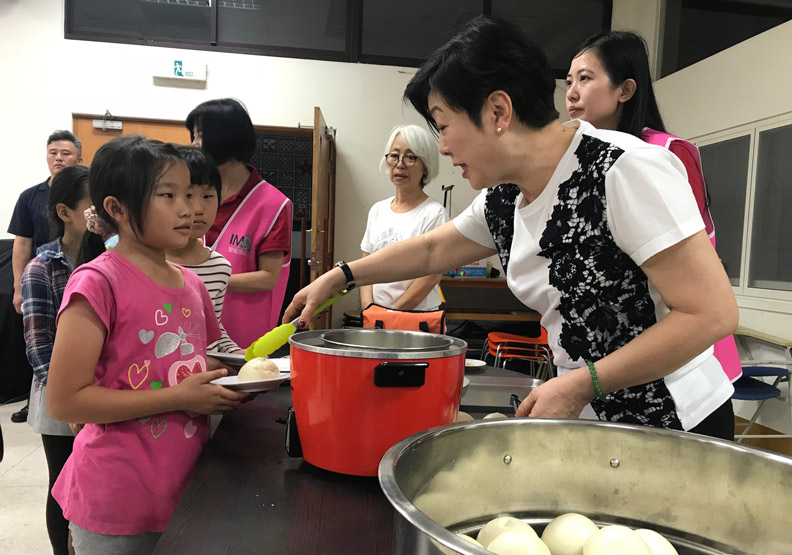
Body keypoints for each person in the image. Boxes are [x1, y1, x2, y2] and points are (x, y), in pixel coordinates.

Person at [284, 16, 738, 440]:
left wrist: (584, 383)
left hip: (675, 421)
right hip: (587, 415)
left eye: (444, 126)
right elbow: (430, 252)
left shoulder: (623, 168)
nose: (441, 147)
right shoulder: (505, 196)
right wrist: (339, 277)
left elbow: (710, 314)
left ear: (499, 111)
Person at [46, 135, 247, 554]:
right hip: (117, 498)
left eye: (190, 193)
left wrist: (246, 379)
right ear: (116, 209)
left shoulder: (191, 282)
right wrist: (178, 397)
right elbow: (65, 401)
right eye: (168, 195)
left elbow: (205, 359)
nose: (189, 208)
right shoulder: (97, 282)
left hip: (186, 486)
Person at [565, 30, 742, 384]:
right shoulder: (577, 160)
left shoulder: (664, 152)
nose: (571, 93)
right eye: (569, 81)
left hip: (672, 341)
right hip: (612, 346)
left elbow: (698, 257)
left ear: (625, 90)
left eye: (585, 78)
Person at [21, 165, 91, 555]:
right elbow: (38, 343)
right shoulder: (43, 268)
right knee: (62, 481)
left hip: (105, 391)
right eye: (92, 204)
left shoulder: (115, 255)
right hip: (58, 396)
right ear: (65, 212)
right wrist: (70, 404)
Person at [186, 99, 292, 348]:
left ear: (226, 137)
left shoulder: (273, 204)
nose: (193, 145)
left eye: (200, 136)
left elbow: (268, 278)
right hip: (186, 327)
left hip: (240, 335)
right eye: (193, 136)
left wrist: (204, 278)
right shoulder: (188, 192)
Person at [8, 130, 82, 423]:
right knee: (42, 339)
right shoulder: (30, 196)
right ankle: (40, 397)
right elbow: (22, 243)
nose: (59, 158)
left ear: (78, 156)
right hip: (47, 278)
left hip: (77, 267)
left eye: (65, 153)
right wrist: (18, 287)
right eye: (53, 152)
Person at [360, 125, 447, 311]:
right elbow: (365, 266)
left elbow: (431, 275)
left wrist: (393, 312)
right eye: (394, 156)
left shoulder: (434, 213)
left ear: (425, 165)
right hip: (376, 316)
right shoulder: (378, 210)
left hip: (415, 319)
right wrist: (369, 308)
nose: (400, 164)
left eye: (410, 157)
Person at [166, 147, 242, 354]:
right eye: (188, 195)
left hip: (207, 380)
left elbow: (213, 331)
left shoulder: (220, 267)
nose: (198, 208)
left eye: (208, 196)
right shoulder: (149, 264)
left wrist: (237, 354)